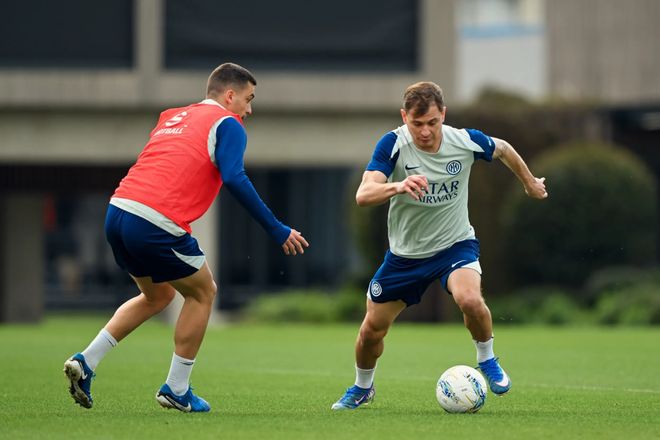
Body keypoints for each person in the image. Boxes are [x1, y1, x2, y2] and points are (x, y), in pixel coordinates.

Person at [63, 63, 309, 413]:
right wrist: (276, 228)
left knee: (158, 295)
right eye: (249, 99)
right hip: (155, 222)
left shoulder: (172, 116)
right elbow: (235, 178)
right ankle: (177, 389)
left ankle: (86, 361)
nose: (249, 109)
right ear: (230, 95)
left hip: (118, 211)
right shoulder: (228, 122)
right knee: (203, 291)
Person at [331, 82, 547, 410]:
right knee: (371, 332)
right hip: (406, 257)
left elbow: (502, 148)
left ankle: (487, 358)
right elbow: (363, 195)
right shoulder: (393, 144)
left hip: (454, 246)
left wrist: (530, 182)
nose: (425, 131)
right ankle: (362, 388)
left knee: (470, 299)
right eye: (416, 123)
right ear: (404, 117)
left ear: (443, 114)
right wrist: (398, 185)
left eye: (432, 122)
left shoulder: (464, 140)